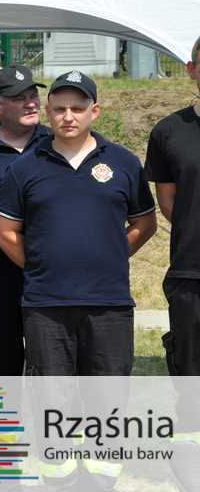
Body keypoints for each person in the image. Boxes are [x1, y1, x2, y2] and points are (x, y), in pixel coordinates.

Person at [0, 72, 156, 491]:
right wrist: (41, 267)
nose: (68, 116)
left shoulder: (123, 163)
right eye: (60, 108)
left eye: (78, 108)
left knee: (108, 399)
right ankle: (60, 481)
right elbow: (4, 232)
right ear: (49, 112)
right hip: (46, 305)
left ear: (94, 111)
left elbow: (144, 224)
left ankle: (100, 482)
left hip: (109, 305)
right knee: (54, 400)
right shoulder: (26, 167)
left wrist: (110, 256)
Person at [145, 37, 200, 488]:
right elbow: (169, 205)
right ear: (192, 70)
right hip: (191, 273)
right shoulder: (169, 131)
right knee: (190, 375)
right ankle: (189, 465)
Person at [0, 67, 49, 376]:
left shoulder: (57, 143)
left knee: (53, 357)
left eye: (33, 95)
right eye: (20, 98)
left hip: (49, 264)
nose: (31, 103)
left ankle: (50, 410)